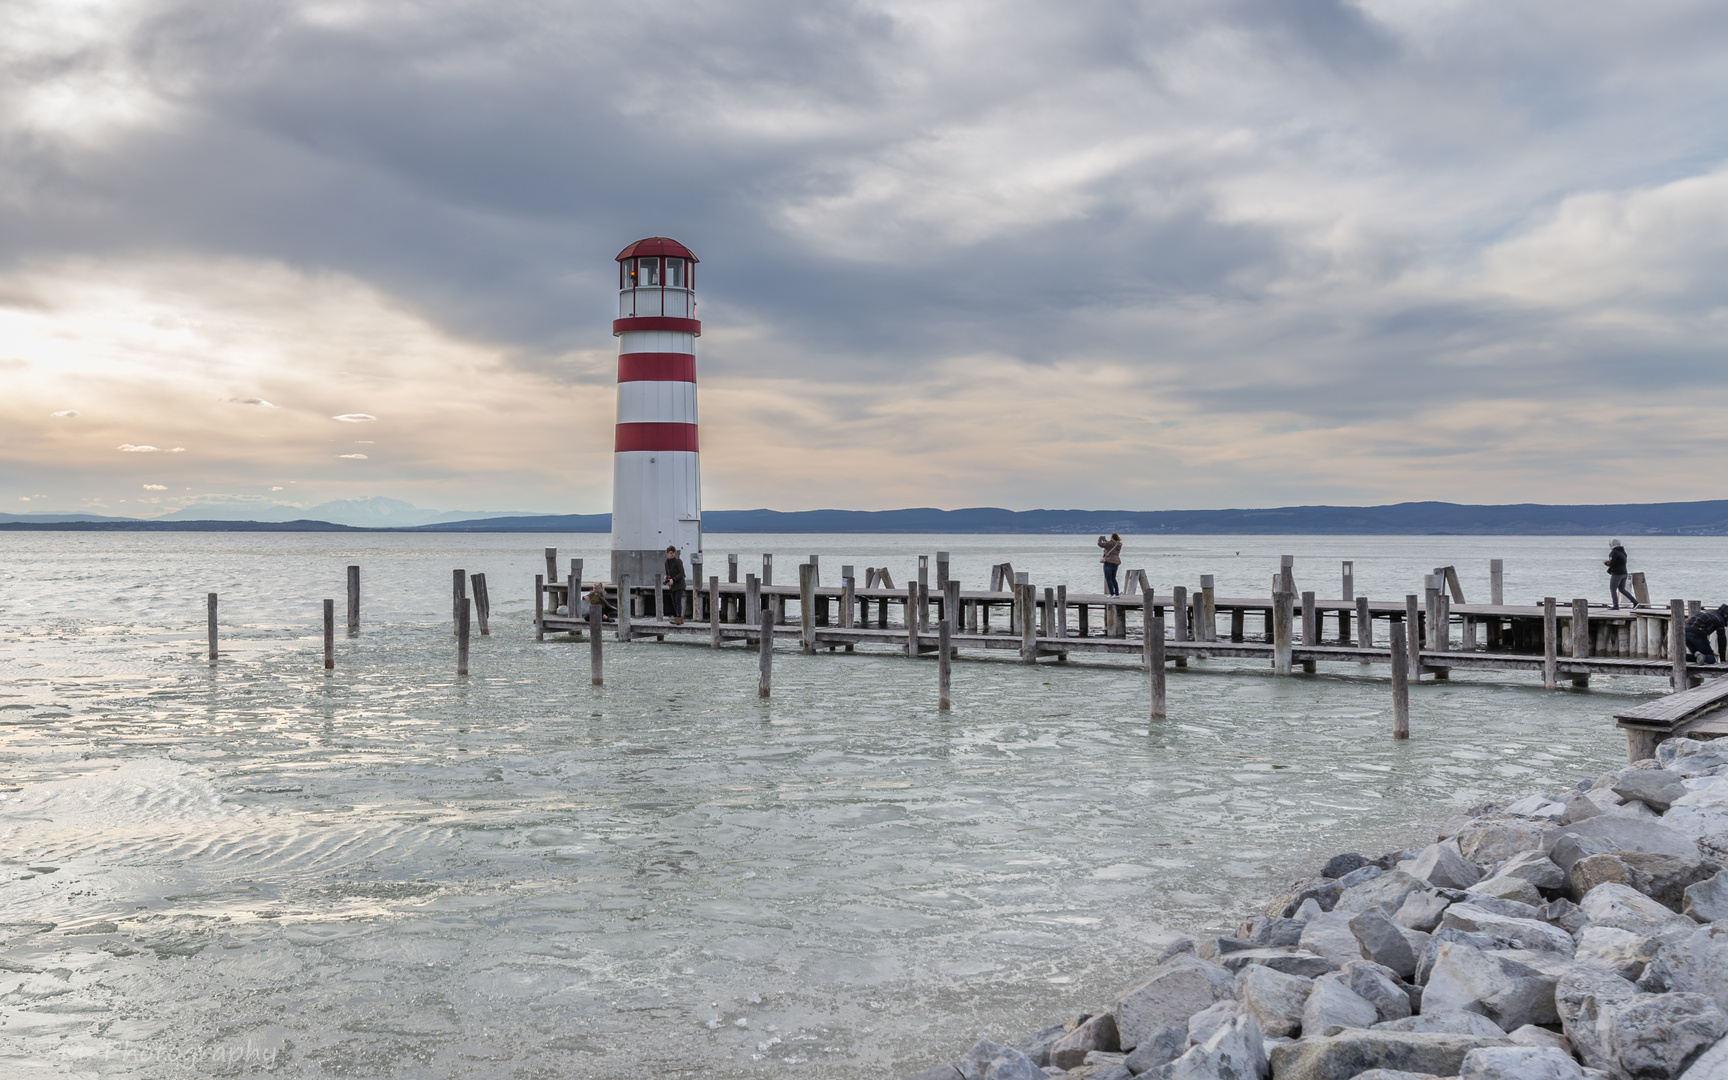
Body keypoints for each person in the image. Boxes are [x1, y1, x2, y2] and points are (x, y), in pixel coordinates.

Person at [1604, 539, 1637, 610]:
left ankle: (1615, 606)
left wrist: (1606, 563)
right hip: (1624, 573)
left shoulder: (1613, 553)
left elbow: (1612, 564)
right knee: (1621, 589)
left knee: (1613, 589)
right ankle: (1635, 602)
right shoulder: (1623, 552)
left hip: (1616, 574)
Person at [663, 545, 687, 624]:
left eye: (673, 553)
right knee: (673, 601)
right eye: (670, 553)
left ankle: (679, 618)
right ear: (667, 553)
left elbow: (682, 573)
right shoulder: (666, 562)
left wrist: (674, 579)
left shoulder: (678, 561)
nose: (672, 554)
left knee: (678, 600)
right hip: (672, 585)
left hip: (679, 584)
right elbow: (668, 572)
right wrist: (666, 576)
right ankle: (678, 618)